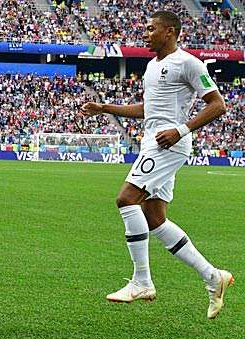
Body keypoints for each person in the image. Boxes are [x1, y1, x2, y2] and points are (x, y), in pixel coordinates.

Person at [81, 11, 233, 319]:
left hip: (169, 144)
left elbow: (218, 104)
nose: (145, 33)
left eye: (151, 29)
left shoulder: (189, 63)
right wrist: (103, 108)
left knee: (126, 199)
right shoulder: (152, 66)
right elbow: (147, 109)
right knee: (155, 219)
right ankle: (213, 277)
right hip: (154, 142)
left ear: (170, 32)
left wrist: (180, 129)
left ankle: (142, 281)